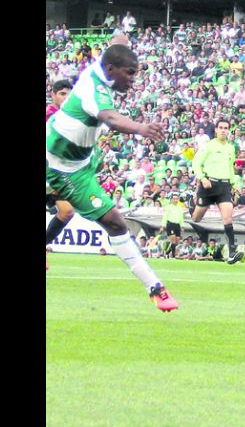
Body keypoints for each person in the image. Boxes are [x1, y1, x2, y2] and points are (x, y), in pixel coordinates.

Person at [45, 43, 178, 312]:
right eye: (129, 73)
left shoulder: (101, 69)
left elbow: (119, 41)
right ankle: (155, 287)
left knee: (112, 223)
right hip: (60, 165)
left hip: (79, 163)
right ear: (110, 69)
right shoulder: (94, 90)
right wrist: (142, 128)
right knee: (104, 219)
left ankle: (155, 289)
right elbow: (111, 118)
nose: (132, 79)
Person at [191, 118, 243, 263]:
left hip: (224, 186)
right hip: (209, 184)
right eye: (221, 127)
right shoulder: (209, 146)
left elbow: (230, 168)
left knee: (227, 218)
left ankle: (232, 252)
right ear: (216, 130)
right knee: (196, 218)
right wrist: (202, 178)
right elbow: (196, 163)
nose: (223, 130)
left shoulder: (230, 148)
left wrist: (234, 184)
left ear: (228, 130)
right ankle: (192, 203)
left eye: (226, 128)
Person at [45, 80, 75, 270]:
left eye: (68, 95)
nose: (66, 98)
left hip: (57, 173)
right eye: (62, 94)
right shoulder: (50, 116)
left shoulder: (71, 117)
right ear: (53, 95)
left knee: (67, 211)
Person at [159, 192, 185, 259]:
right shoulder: (168, 207)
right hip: (170, 224)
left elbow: (181, 218)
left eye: (176, 199)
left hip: (177, 225)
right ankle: (173, 256)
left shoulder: (179, 208)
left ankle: (167, 253)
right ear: (171, 200)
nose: (175, 200)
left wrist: (182, 226)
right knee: (173, 240)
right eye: (174, 199)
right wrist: (162, 226)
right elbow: (165, 217)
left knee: (177, 242)